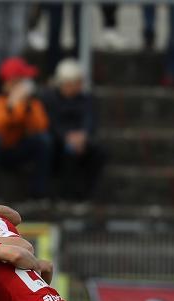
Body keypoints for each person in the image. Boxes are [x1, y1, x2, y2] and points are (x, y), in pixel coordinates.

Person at [0, 56, 51, 200]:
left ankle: (39, 194)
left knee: (43, 141)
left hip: (16, 149)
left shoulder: (30, 101)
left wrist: (25, 107)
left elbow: (40, 127)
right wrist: (11, 106)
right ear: (11, 81)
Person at [42, 59, 106, 200]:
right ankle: (67, 196)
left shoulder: (87, 98)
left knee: (100, 151)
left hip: (81, 141)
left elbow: (90, 120)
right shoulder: (50, 98)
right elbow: (51, 123)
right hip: (59, 143)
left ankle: (92, 193)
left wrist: (82, 136)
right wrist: (67, 137)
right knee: (64, 152)